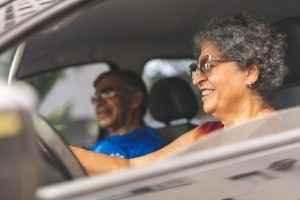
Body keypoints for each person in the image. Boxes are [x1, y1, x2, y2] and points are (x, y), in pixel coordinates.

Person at [71, 11, 287, 175]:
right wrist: (59, 151)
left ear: (249, 71)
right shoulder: (204, 134)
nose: (196, 79)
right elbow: (132, 166)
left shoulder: (281, 138)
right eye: (195, 68)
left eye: (207, 65)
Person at [88, 70, 167, 159]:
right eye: (96, 97)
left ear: (135, 100)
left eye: (107, 92)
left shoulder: (151, 149)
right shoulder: (99, 146)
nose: (98, 102)